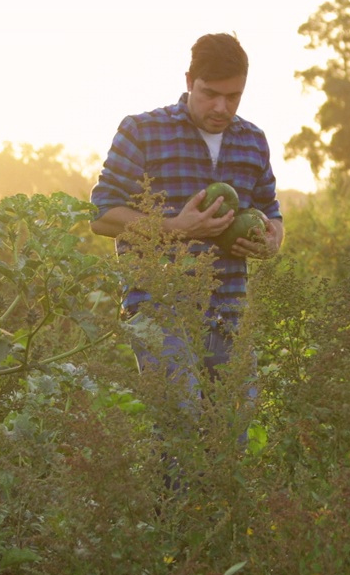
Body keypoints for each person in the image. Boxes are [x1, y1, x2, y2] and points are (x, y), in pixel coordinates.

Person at [89, 32, 284, 423]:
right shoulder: (141, 131)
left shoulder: (253, 140)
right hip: (159, 307)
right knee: (182, 425)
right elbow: (102, 214)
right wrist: (177, 227)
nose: (221, 106)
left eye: (233, 97)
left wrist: (271, 242)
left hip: (230, 311)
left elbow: (271, 213)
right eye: (210, 93)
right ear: (188, 81)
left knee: (233, 430)